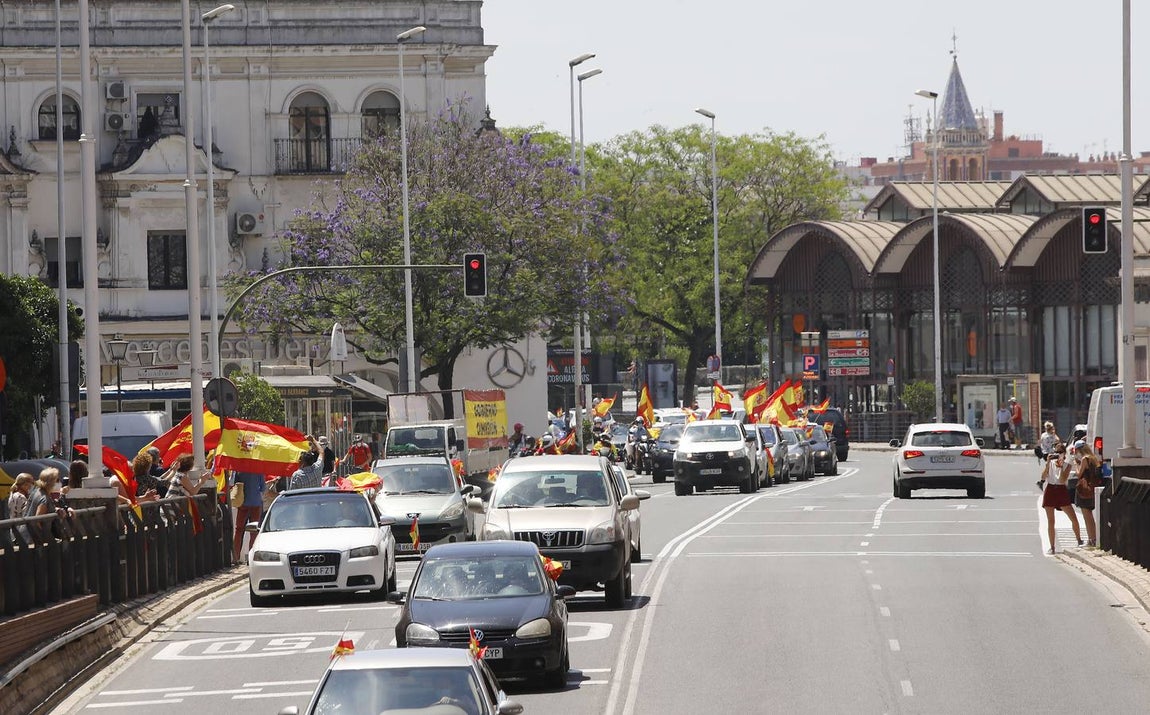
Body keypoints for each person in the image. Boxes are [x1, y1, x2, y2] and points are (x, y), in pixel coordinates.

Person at [1039, 441, 1082, 554]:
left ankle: (1079, 539)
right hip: (1051, 489)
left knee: (1073, 518)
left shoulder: (1067, 464)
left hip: (1061, 489)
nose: (1058, 455)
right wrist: (1048, 463)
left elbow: (1062, 479)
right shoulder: (1051, 463)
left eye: (1060, 452)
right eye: (1056, 452)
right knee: (1051, 521)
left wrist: (1062, 465)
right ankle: (1052, 546)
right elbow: (1043, 476)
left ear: (1064, 453)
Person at [1073, 440, 1103, 548]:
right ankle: (1093, 538)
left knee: (1087, 516)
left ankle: (1092, 539)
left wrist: (1076, 464)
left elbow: (1079, 474)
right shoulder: (1093, 458)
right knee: (1090, 516)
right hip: (1092, 489)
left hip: (1085, 490)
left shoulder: (1085, 459)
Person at [231, 470, 267, 560]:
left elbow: (233, 483)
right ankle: (252, 558)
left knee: (239, 531)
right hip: (256, 503)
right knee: (254, 531)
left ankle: (236, 557)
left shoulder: (239, 469)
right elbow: (262, 488)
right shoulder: (258, 469)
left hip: (242, 502)